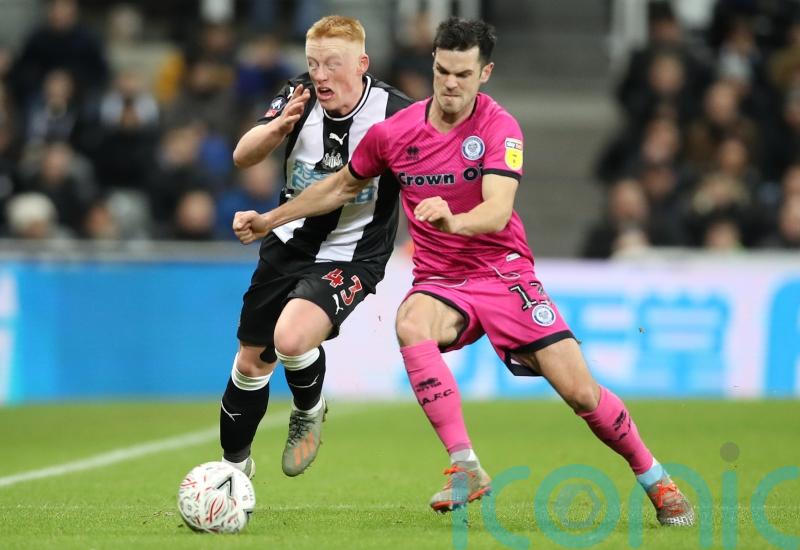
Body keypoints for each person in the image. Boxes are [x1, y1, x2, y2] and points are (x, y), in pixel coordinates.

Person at [232, 18, 695, 526]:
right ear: (433, 65)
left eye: (463, 74)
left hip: (503, 274)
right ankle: (464, 464)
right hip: (439, 282)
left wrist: (453, 218)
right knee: (411, 325)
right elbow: (340, 187)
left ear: (485, 72)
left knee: (582, 393)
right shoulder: (395, 133)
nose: (451, 84)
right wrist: (271, 219)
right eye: (442, 71)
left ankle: (655, 477)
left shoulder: (500, 128)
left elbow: (497, 210)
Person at [220, 15, 411, 479]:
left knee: (290, 338)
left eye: (332, 64)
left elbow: (361, 189)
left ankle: (309, 406)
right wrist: (276, 129)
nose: (320, 75)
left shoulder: (397, 114)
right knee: (249, 363)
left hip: (353, 254)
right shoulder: (298, 95)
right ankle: (232, 473)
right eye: (312, 63)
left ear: (361, 63)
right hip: (288, 245)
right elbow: (243, 155)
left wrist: (266, 221)